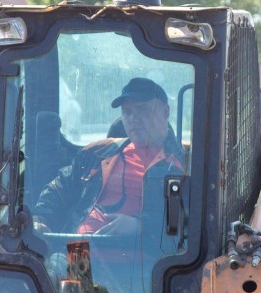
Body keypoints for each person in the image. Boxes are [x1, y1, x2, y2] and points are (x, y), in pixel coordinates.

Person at [34, 76, 184, 234]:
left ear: (165, 112)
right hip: (80, 251)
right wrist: (40, 219)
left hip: (145, 257)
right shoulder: (97, 153)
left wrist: (139, 226)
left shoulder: (185, 164)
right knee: (51, 259)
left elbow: (184, 222)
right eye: (127, 112)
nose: (133, 118)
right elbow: (59, 188)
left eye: (142, 109)